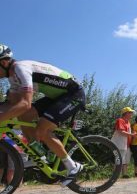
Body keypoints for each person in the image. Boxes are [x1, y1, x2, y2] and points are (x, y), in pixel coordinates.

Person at [0, 44, 86, 186]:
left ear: (3, 62)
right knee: (24, 116)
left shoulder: (20, 68)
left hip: (73, 94)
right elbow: (13, 105)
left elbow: (26, 103)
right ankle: (41, 157)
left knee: (43, 128)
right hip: (57, 97)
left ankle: (72, 166)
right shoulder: (13, 78)